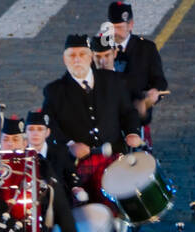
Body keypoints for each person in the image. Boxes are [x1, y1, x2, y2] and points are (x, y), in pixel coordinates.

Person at [42, 34, 142, 199]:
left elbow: (128, 112)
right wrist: (70, 144)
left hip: (114, 156)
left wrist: (132, 132)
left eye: (82, 54)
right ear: (64, 59)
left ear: (90, 57)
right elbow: (49, 125)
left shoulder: (113, 81)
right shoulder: (54, 91)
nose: (77, 60)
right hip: (78, 164)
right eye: (72, 55)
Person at [106, 2, 168, 142]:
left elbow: (160, 80)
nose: (115, 32)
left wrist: (154, 93)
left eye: (120, 27)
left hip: (137, 119)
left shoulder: (146, 49)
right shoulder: (100, 48)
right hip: (107, 121)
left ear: (131, 25)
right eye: (112, 27)